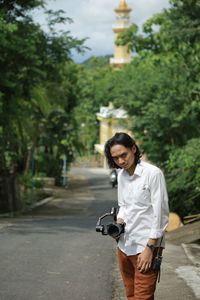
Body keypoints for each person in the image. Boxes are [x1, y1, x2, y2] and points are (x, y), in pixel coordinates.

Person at [104, 132, 169, 300]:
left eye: (123, 155)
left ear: (133, 148)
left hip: (146, 246)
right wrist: (117, 227)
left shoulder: (153, 174)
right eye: (115, 158)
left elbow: (160, 214)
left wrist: (150, 248)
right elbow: (124, 206)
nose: (120, 161)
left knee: (143, 297)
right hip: (125, 245)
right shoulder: (122, 176)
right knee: (131, 294)